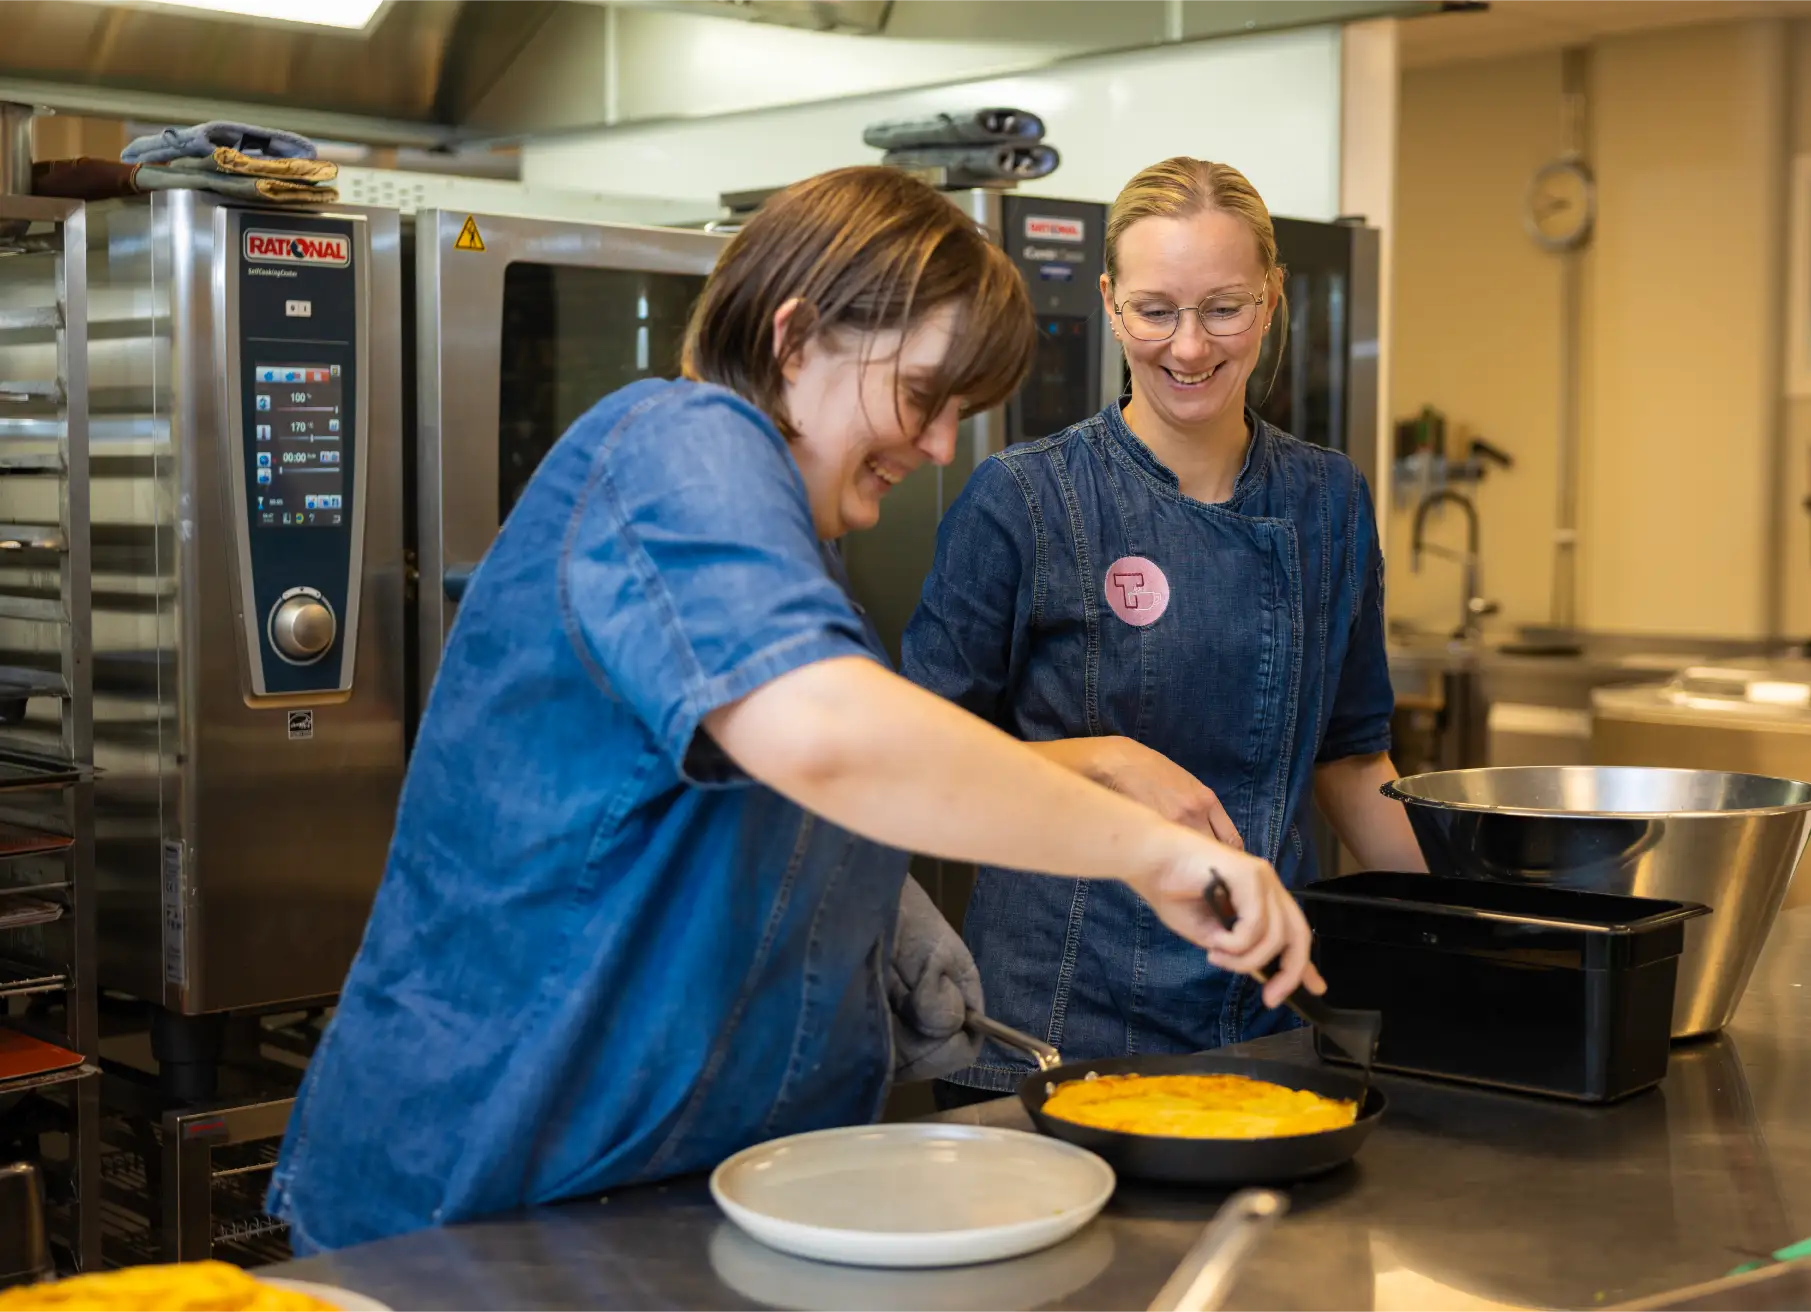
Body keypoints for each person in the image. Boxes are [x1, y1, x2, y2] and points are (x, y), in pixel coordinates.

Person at [266, 166, 1317, 1254]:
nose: (941, 446)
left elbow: (757, 791)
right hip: (485, 1195)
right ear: (795, 336)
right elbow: (824, 737)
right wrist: (1146, 853)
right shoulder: (674, 448)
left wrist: (877, 915)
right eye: (921, 395)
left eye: (959, 411)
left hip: (664, 1202)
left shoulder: (795, 538)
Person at [902, 157, 1426, 1105]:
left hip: (1265, 1017)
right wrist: (1099, 758)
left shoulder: (1329, 499)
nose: (1188, 347)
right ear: (1108, 302)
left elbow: (1352, 758)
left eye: (1223, 308)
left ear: (1271, 300)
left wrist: (1480, 937)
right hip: (1051, 1032)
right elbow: (915, 761)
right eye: (1155, 310)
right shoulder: (1025, 498)